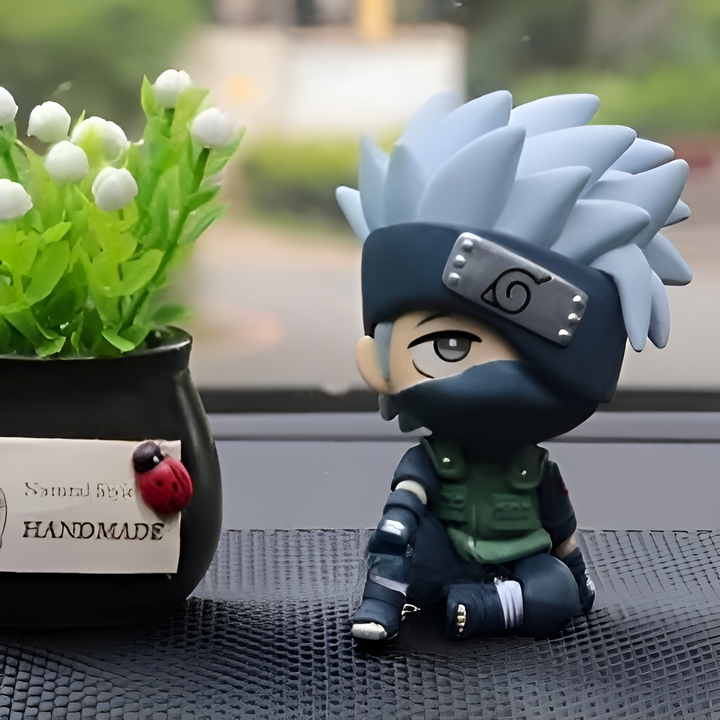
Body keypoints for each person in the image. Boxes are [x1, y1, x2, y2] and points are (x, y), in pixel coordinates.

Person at [336, 90, 692, 642]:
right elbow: (397, 525)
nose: (498, 377)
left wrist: (576, 580)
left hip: (522, 560)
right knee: (406, 553)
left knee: (554, 593)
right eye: (449, 344)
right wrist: (386, 578)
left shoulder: (536, 469)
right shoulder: (430, 463)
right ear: (377, 363)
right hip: (436, 558)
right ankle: (411, 603)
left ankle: (486, 607)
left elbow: (561, 530)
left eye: (541, 359)